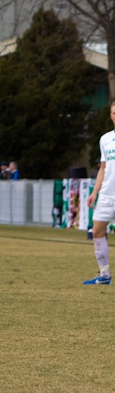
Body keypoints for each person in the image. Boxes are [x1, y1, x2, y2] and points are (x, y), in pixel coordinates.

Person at [84, 101, 115, 285]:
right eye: (113, 112)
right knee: (97, 231)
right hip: (106, 195)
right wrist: (94, 192)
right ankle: (104, 275)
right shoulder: (105, 139)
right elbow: (103, 168)